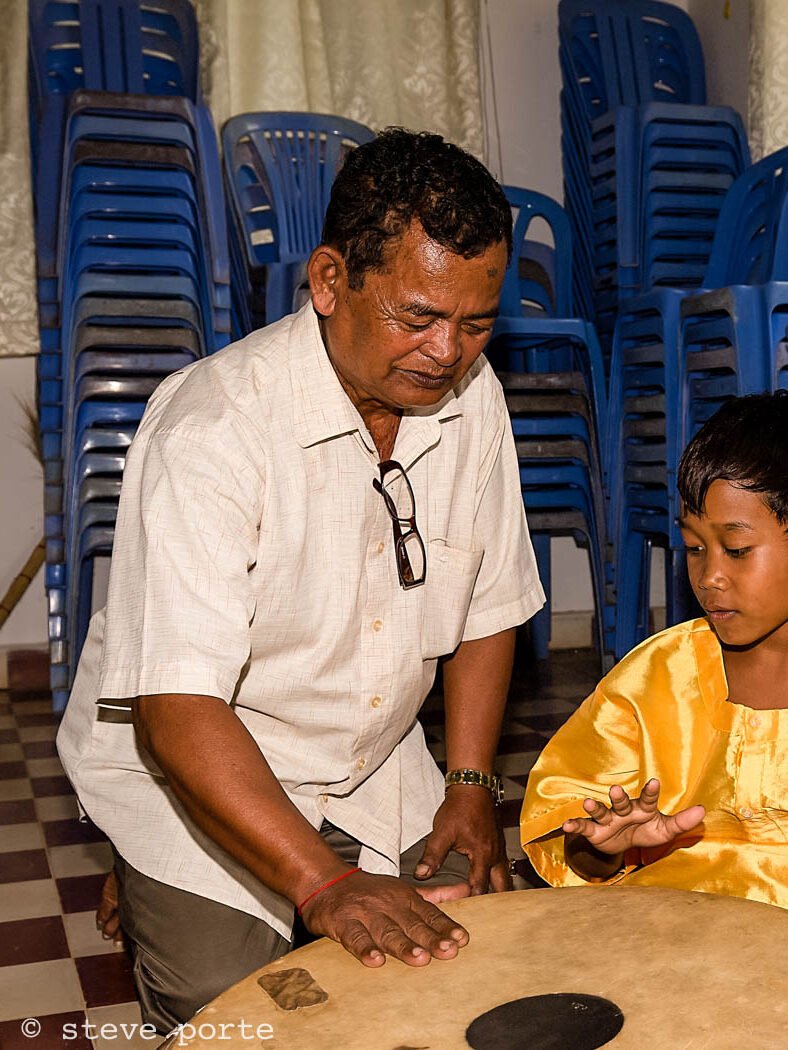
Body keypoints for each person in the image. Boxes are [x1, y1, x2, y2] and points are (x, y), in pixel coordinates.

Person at [57, 127, 545, 1032]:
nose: (448, 353)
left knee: (473, 964)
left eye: (476, 323)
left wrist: (470, 786)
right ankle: (159, 872)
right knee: (234, 1012)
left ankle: (234, 889)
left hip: (370, 760)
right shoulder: (212, 428)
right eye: (417, 317)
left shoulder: (472, 400)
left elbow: (490, 604)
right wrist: (323, 884)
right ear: (329, 282)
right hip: (199, 763)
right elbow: (180, 708)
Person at [520, 392, 788, 908]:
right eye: (693, 548)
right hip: (672, 934)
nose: (709, 576)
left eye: (736, 550)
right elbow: (575, 847)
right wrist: (607, 849)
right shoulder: (658, 677)